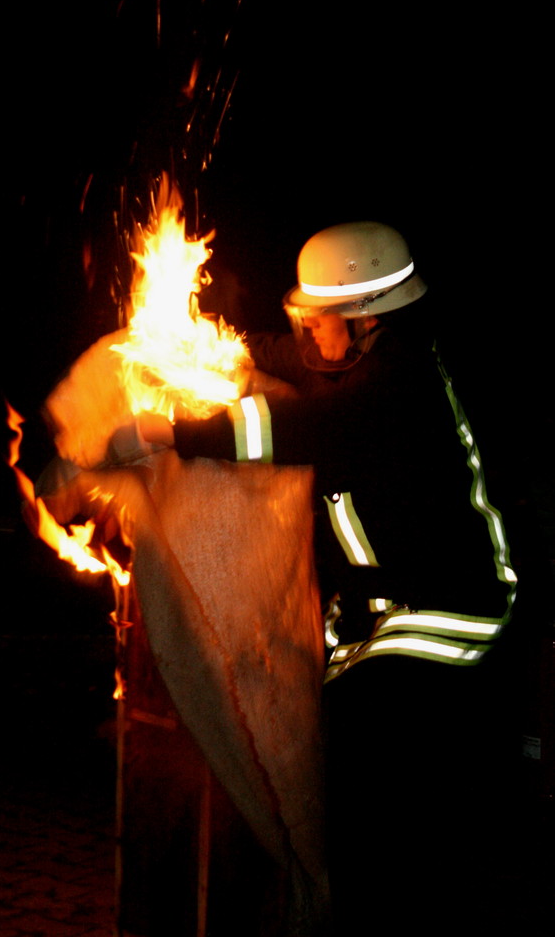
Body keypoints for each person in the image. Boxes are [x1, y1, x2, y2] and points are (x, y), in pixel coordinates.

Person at [123, 221, 518, 932]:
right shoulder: (351, 359)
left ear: (360, 319)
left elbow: (295, 432)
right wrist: (191, 347)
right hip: (381, 616)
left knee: (379, 800)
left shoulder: (397, 385)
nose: (301, 331)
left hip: (447, 610)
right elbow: (272, 357)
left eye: (314, 318)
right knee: (360, 804)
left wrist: (168, 432)